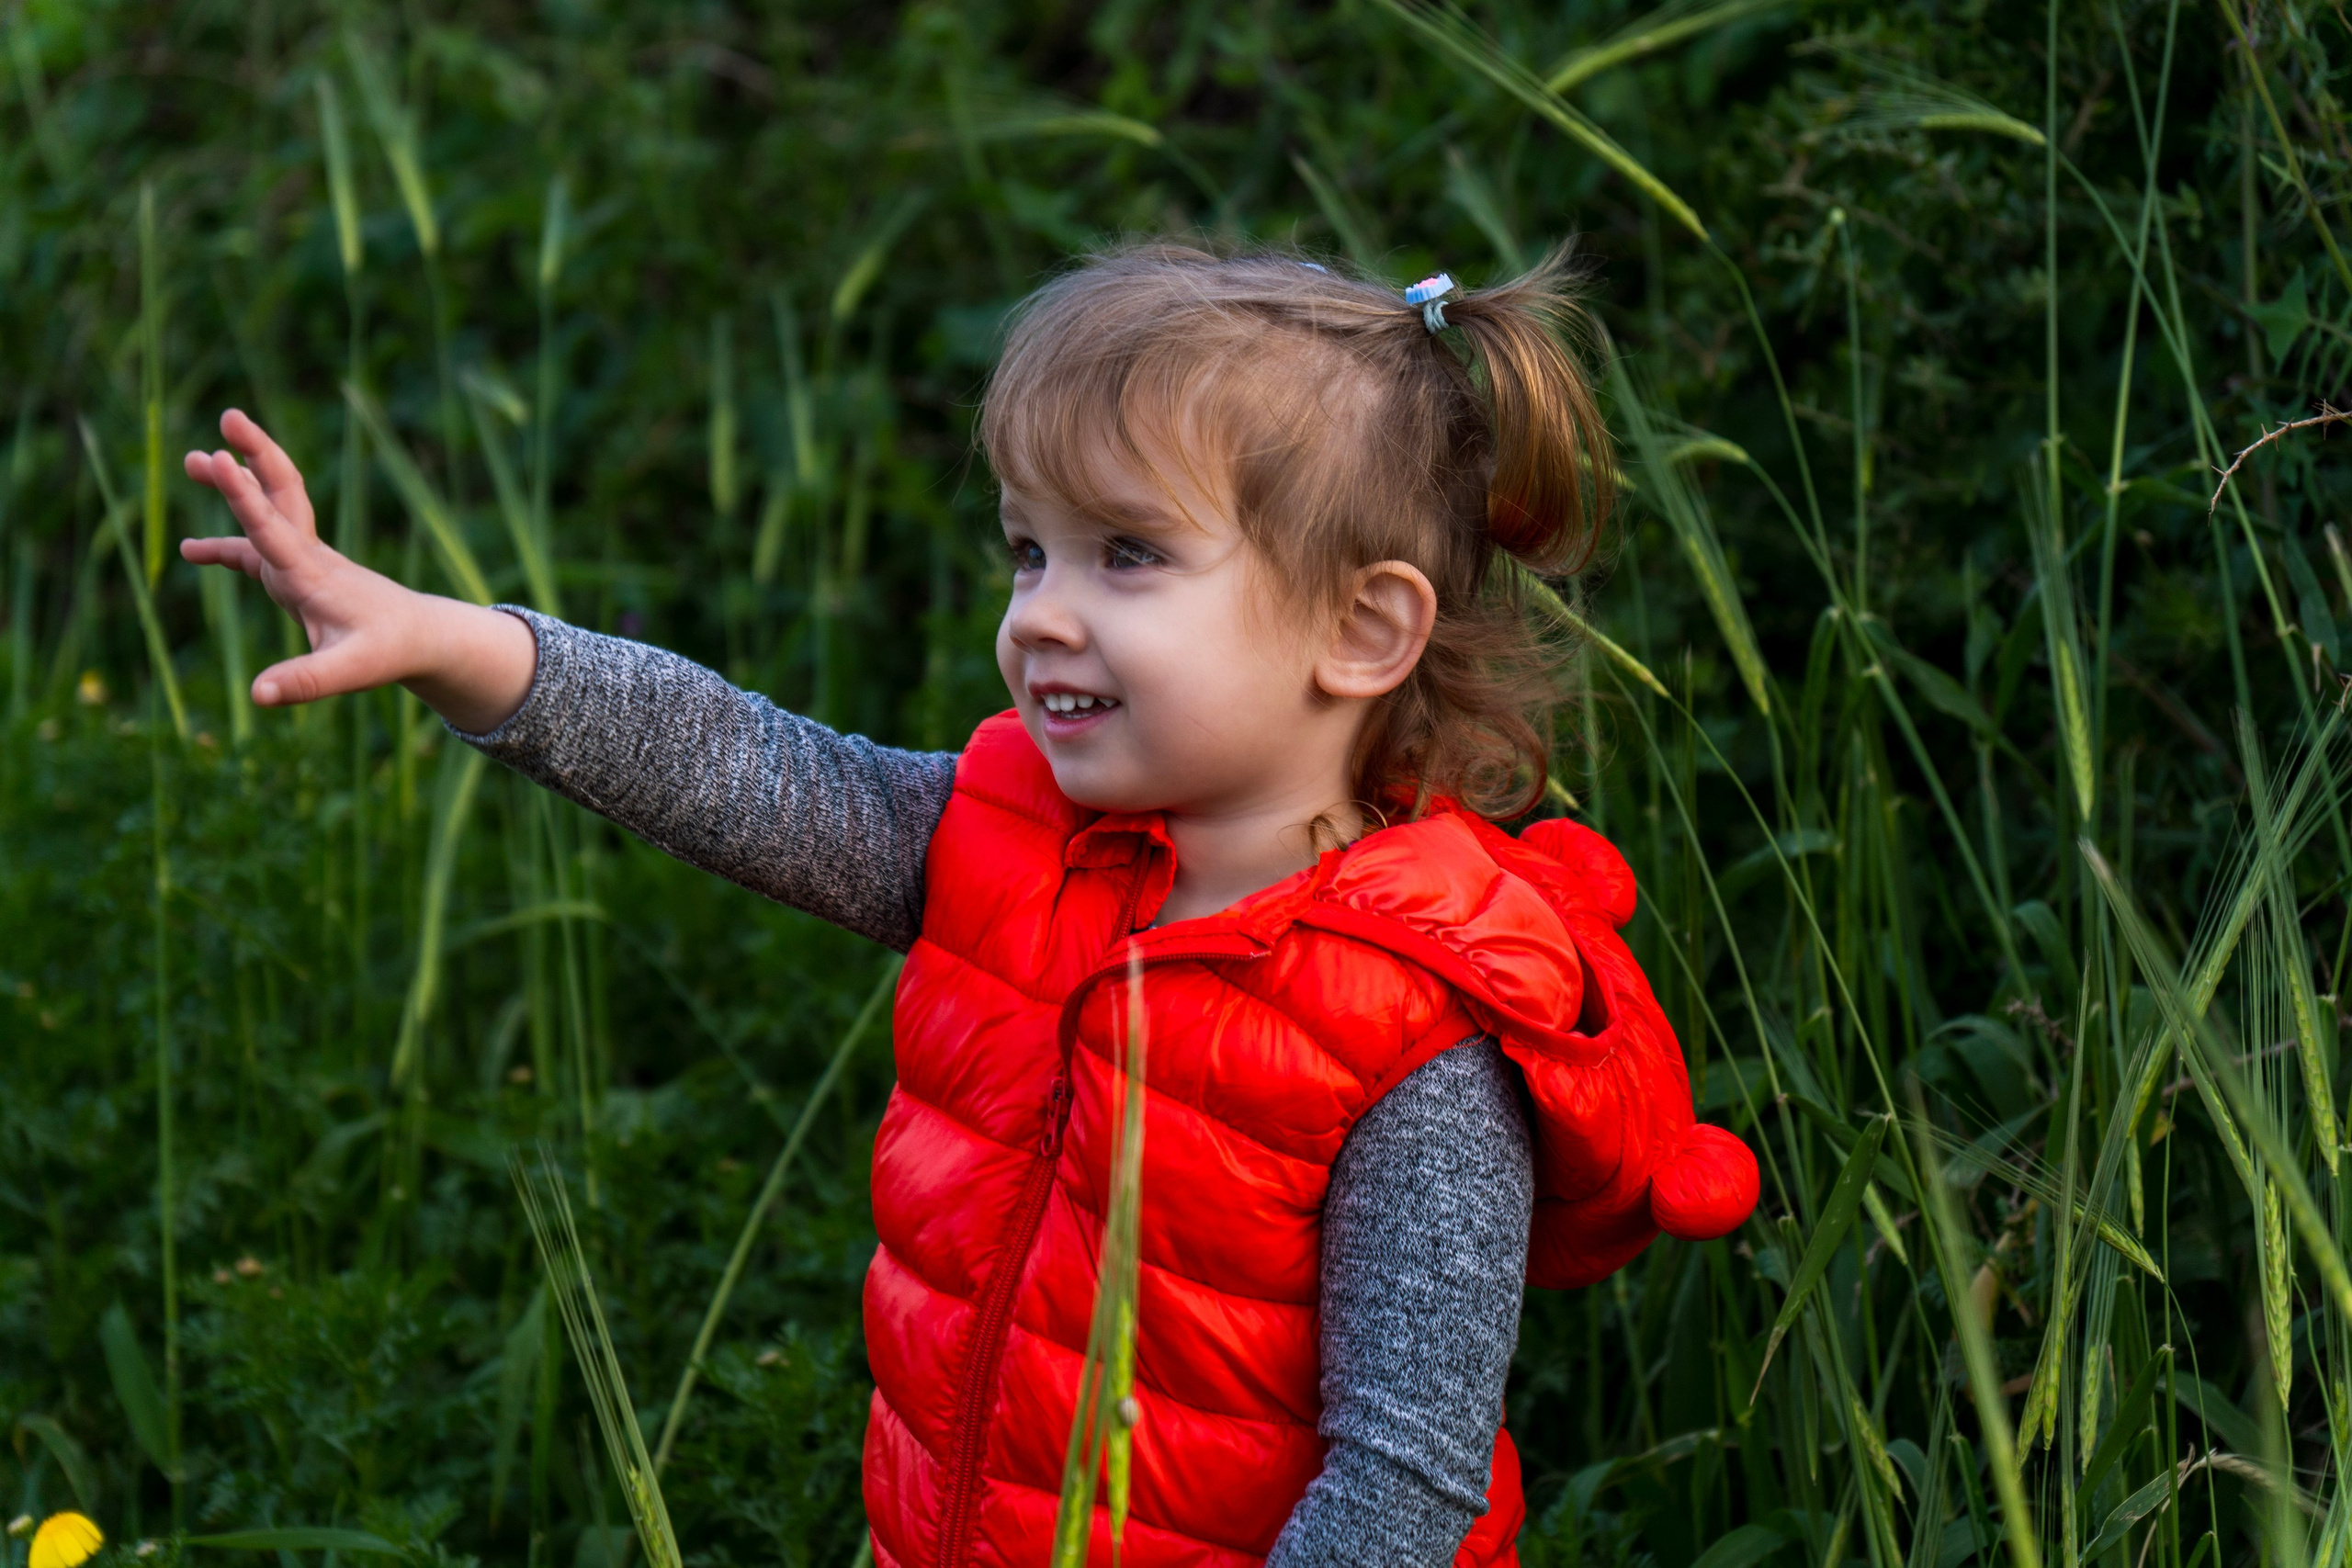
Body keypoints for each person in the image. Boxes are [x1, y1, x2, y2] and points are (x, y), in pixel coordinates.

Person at [183, 243, 1758, 1568]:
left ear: (1362, 630)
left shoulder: (1414, 1032)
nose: (1039, 616)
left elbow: (1402, 1488)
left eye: (1127, 555)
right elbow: (738, 764)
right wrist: (461, 642)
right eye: (1026, 550)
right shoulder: (1002, 839)